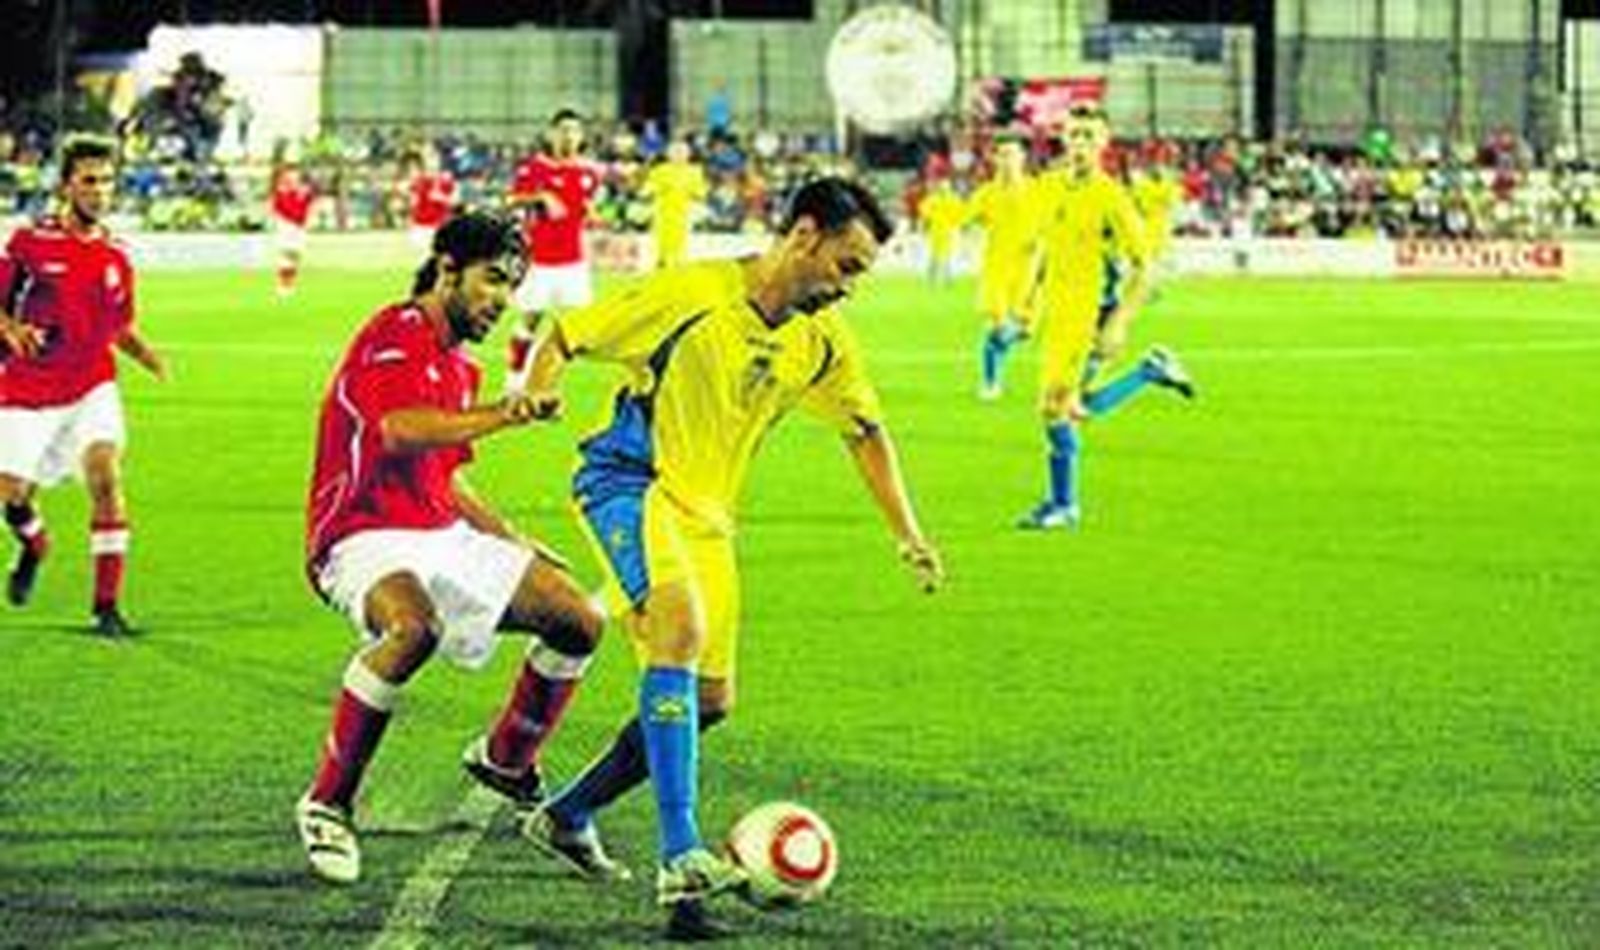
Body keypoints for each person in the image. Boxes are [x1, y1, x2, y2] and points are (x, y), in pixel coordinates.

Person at [517, 177, 944, 939]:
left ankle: (570, 812)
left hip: (708, 517)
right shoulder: (691, 293)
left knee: (709, 702)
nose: (848, 290)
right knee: (676, 626)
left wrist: (907, 532)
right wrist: (541, 389)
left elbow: (865, 430)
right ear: (804, 235)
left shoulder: (820, 341)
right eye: (846, 267)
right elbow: (564, 335)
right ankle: (681, 857)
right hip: (629, 483)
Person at [294, 212, 605, 885]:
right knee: (413, 628)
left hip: (438, 530)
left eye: (512, 287)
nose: (501, 299)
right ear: (447, 269)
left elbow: (446, 477)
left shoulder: (458, 368)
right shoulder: (395, 331)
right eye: (493, 279)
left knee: (578, 619)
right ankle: (327, 804)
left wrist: (512, 538)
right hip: (359, 534)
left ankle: (504, 757)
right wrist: (511, 409)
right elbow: (401, 432)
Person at [0, 134, 167, 636]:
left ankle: (106, 607)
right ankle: (34, 542)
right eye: (89, 181)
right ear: (66, 186)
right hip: (28, 386)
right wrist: (10, 329)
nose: (100, 191)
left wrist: (148, 356)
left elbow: (117, 325)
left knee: (105, 475)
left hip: (92, 383)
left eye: (107, 181)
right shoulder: (29, 242)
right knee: (12, 494)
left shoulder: (117, 255)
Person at [1019, 105, 1194, 531]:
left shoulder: (1111, 196)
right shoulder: (1049, 187)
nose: (1079, 144)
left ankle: (1064, 505)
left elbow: (1144, 266)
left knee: (1056, 406)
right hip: (1056, 313)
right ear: (1063, 138)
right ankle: (1148, 373)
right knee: (1068, 408)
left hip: (1088, 313)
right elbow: (1043, 248)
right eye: (1074, 134)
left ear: (1103, 144)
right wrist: (1027, 301)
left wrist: (1119, 322)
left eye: (1088, 137)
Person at [504, 109, 599, 391]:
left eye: (575, 130)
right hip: (540, 262)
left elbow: (582, 208)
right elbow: (511, 199)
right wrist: (542, 196)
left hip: (573, 263)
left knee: (574, 328)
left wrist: (590, 214)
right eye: (564, 129)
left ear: (581, 136)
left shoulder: (588, 173)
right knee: (531, 321)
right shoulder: (534, 168)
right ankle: (514, 382)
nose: (569, 135)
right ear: (552, 134)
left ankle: (543, 384)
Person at [967, 137, 1042, 401]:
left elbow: (1052, 221)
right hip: (997, 272)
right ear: (995, 159)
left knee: (1024, 330)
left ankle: (994, 367)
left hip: (1028, 274)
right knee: (999, 328)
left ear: (1022, 158)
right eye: (1003, 155)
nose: (1008, 160)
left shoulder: (1037, 190)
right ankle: (990, 382)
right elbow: (968, 222)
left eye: (1013, 154)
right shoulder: (986, 194)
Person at [640, 139, 707, 269]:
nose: (678, 155)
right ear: (668, 154)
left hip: (683, 214)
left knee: (680, 246)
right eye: (675, 152)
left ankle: (678, 268)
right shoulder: (659, 170)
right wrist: (654, 189)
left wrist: (690, 190)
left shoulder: (694, 172)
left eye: (682, 152)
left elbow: (701, 193)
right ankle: (661, 265)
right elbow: (647, 190)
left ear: (688, 154)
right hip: (663, 214)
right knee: (661, 245)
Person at [270, 161, 315, 299]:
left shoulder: (302, 192)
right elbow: (279, 208)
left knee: (295, 257)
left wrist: (304, 198)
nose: (293, 178)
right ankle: (283, 286)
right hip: (287, 226)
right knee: (286, 255)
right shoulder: (281, 192)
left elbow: (306, 207)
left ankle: (289, 286)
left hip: (298, 227)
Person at [406, 144, 457, 253]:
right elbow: (413, 204)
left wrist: (441, 198)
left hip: (438, 225)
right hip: (420, 226)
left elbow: (455, 201)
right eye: (429, 160)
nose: (432, 163)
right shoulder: (418, 181)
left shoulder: (446, 179)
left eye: (434, 160)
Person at [917, 178, 967, 285]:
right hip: (938, 231)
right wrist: (923, 225)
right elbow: (925, 213)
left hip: (944, 231)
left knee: (943, 256)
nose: (944, 189)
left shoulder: (949, 199)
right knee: (936, 256)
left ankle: (943, 279)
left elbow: (959, 214)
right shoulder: (936, 199)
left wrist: (960, 225)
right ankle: (934, 278)